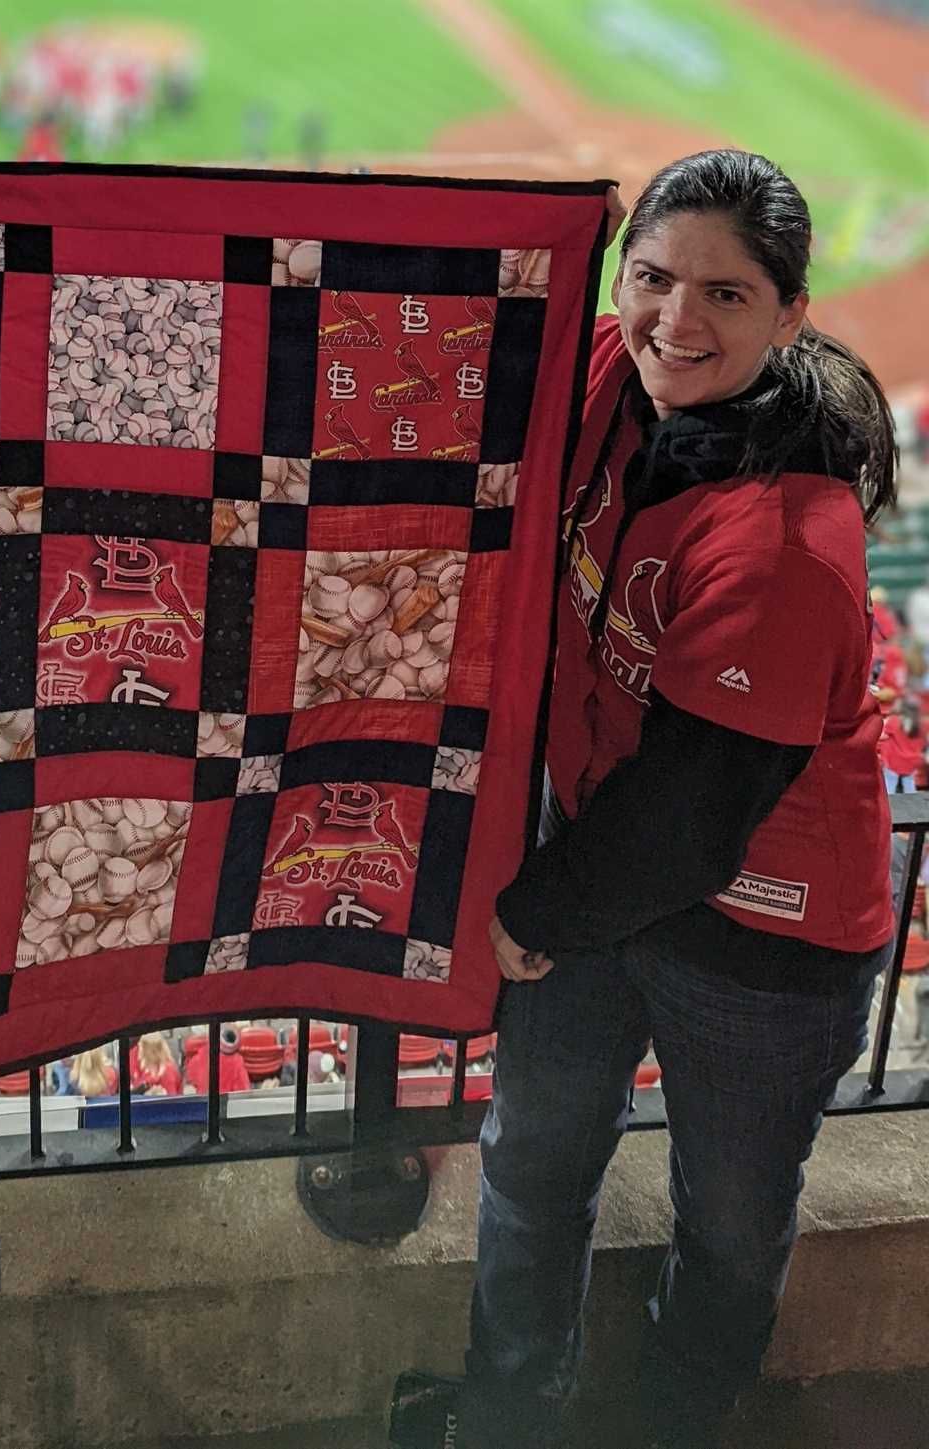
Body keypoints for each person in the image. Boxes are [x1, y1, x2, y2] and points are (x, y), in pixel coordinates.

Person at [402, 151, 899, 1449]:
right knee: (529, 1159)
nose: (676, 322)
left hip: (760, 927)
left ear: (791, 314)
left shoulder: (785, 533)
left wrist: (537, 909)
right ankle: (513, 1406)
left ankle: (674, 1420)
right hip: (606, 867)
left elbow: (700, 802)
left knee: (729, 1219)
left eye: (726, 295)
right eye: (654, 279)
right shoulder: (624, 383)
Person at [879, 695, 925, 794]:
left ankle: (890, 807)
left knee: (889, 785)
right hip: (912, 761)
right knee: (909, 785)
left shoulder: (894, 720)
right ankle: (913, 807)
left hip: (894, 761)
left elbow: (882, 736)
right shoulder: (921, 724)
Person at [127, 1032, 182, 1096]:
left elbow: (171, 1101)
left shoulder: (167, 1071)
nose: (138, 1051)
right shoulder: (148, 1070)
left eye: (141, 1047)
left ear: (149, 1051)